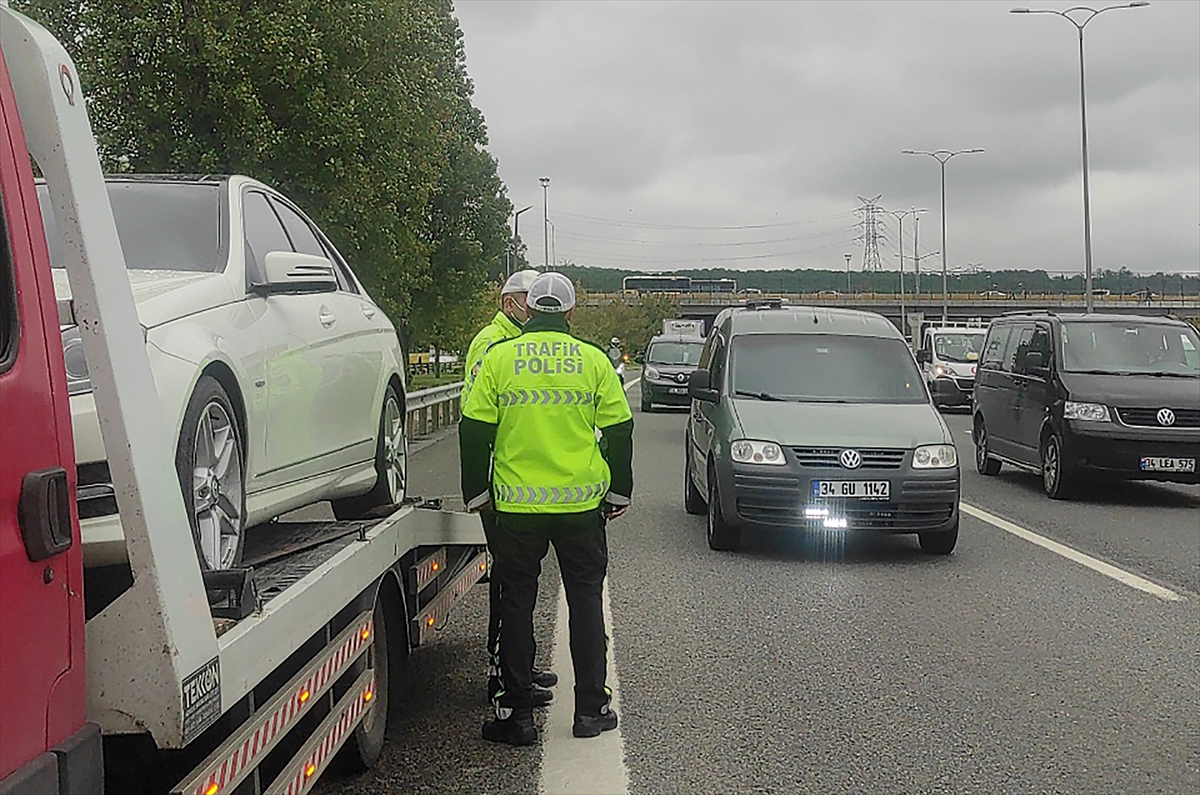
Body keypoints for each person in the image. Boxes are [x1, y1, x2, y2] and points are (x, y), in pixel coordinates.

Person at [460, 272, 634, 746]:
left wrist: (477, 494)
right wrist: (619, 492)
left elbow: (473, 428)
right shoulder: (593, 360)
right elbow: (619, 429)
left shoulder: (500, 358)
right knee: (585, 601)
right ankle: (591, 710)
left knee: (516, 605)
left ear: (529, 309)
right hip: (581, 507)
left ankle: (516, 716)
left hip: (515, 507)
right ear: (572, 312)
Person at [461, 269, 557, 707]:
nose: (534, 306)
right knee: (509, 586)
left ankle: (520, 667)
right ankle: (503, 674)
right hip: (502, 482)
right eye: (528, 299)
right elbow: (474, 411)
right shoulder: (492, 344)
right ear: (510, 304)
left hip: (516, 481)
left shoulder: (516, 344)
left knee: (517, 585)